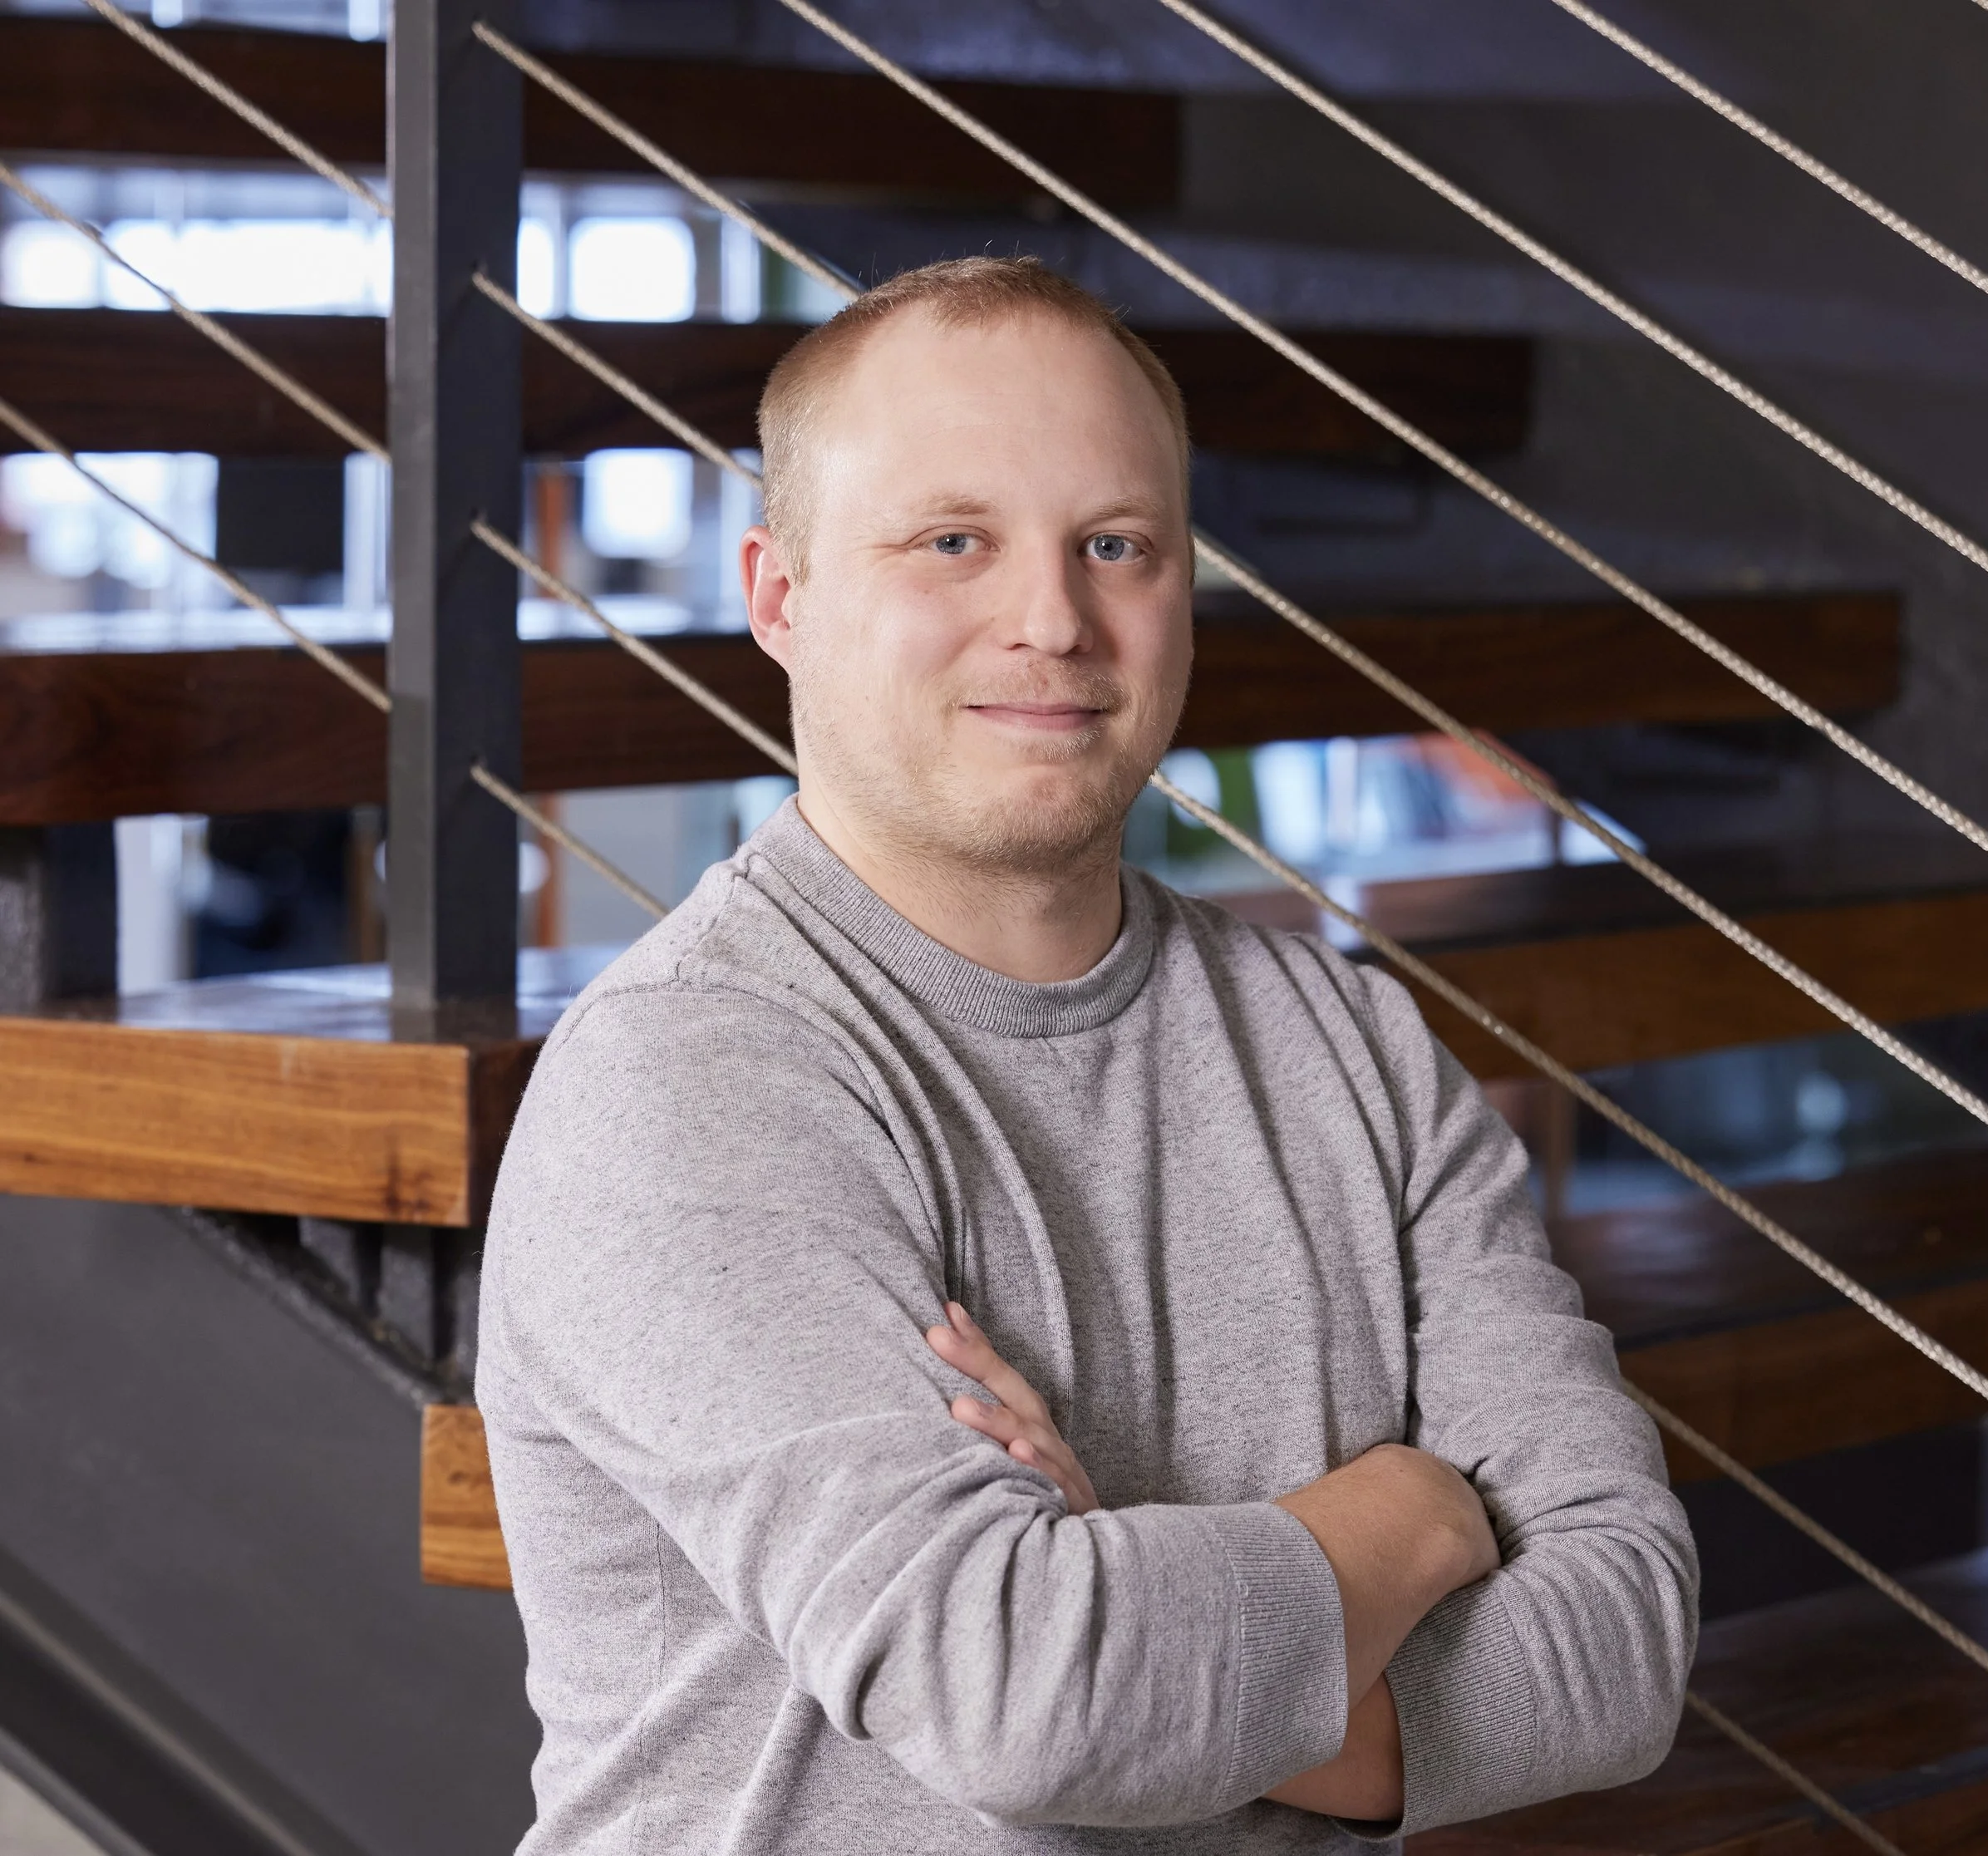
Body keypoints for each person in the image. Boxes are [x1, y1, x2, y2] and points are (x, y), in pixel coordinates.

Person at [478, 256, 1697, 1855]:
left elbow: (1624, 1648)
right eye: (953, 542)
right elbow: (1027, 1702)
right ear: (781, 596)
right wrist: (1408, 1514)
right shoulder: (693, 1079)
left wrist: (1119, 1576)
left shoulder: (1352, 1040)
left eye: (1115, 546)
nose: (1051, 620)